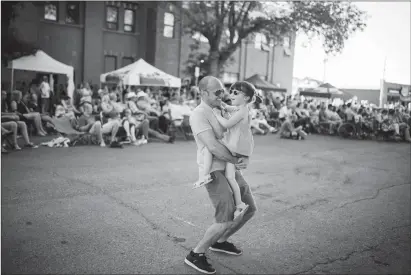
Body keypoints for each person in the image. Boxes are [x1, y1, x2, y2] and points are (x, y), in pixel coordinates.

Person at [185, 76, 256, 274]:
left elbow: (243, 131)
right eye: (217, 92)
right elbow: (213, 146)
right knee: (225, 216)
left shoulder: (225, 107)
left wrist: (245, 157)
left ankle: (220, 241)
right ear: (203, 93)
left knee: (249, 208)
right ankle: (196, 253)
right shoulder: (199, 114)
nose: (222, 94)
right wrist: (236, 160)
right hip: (215, 168)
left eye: (222, 90)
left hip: (231, 165)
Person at [194, 81, 257, 222]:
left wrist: (216, 115)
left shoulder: (242, 111)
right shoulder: (241, 108)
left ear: (246, 97)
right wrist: (222, 106)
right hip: (237, 146)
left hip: (233, 144)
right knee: (231, 177)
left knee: (210, 148)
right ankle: (240, 204)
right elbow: (229, 108)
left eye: (235, 93)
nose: (230, 94)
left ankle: (204, 176)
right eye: (231, 91)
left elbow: (227, 124)